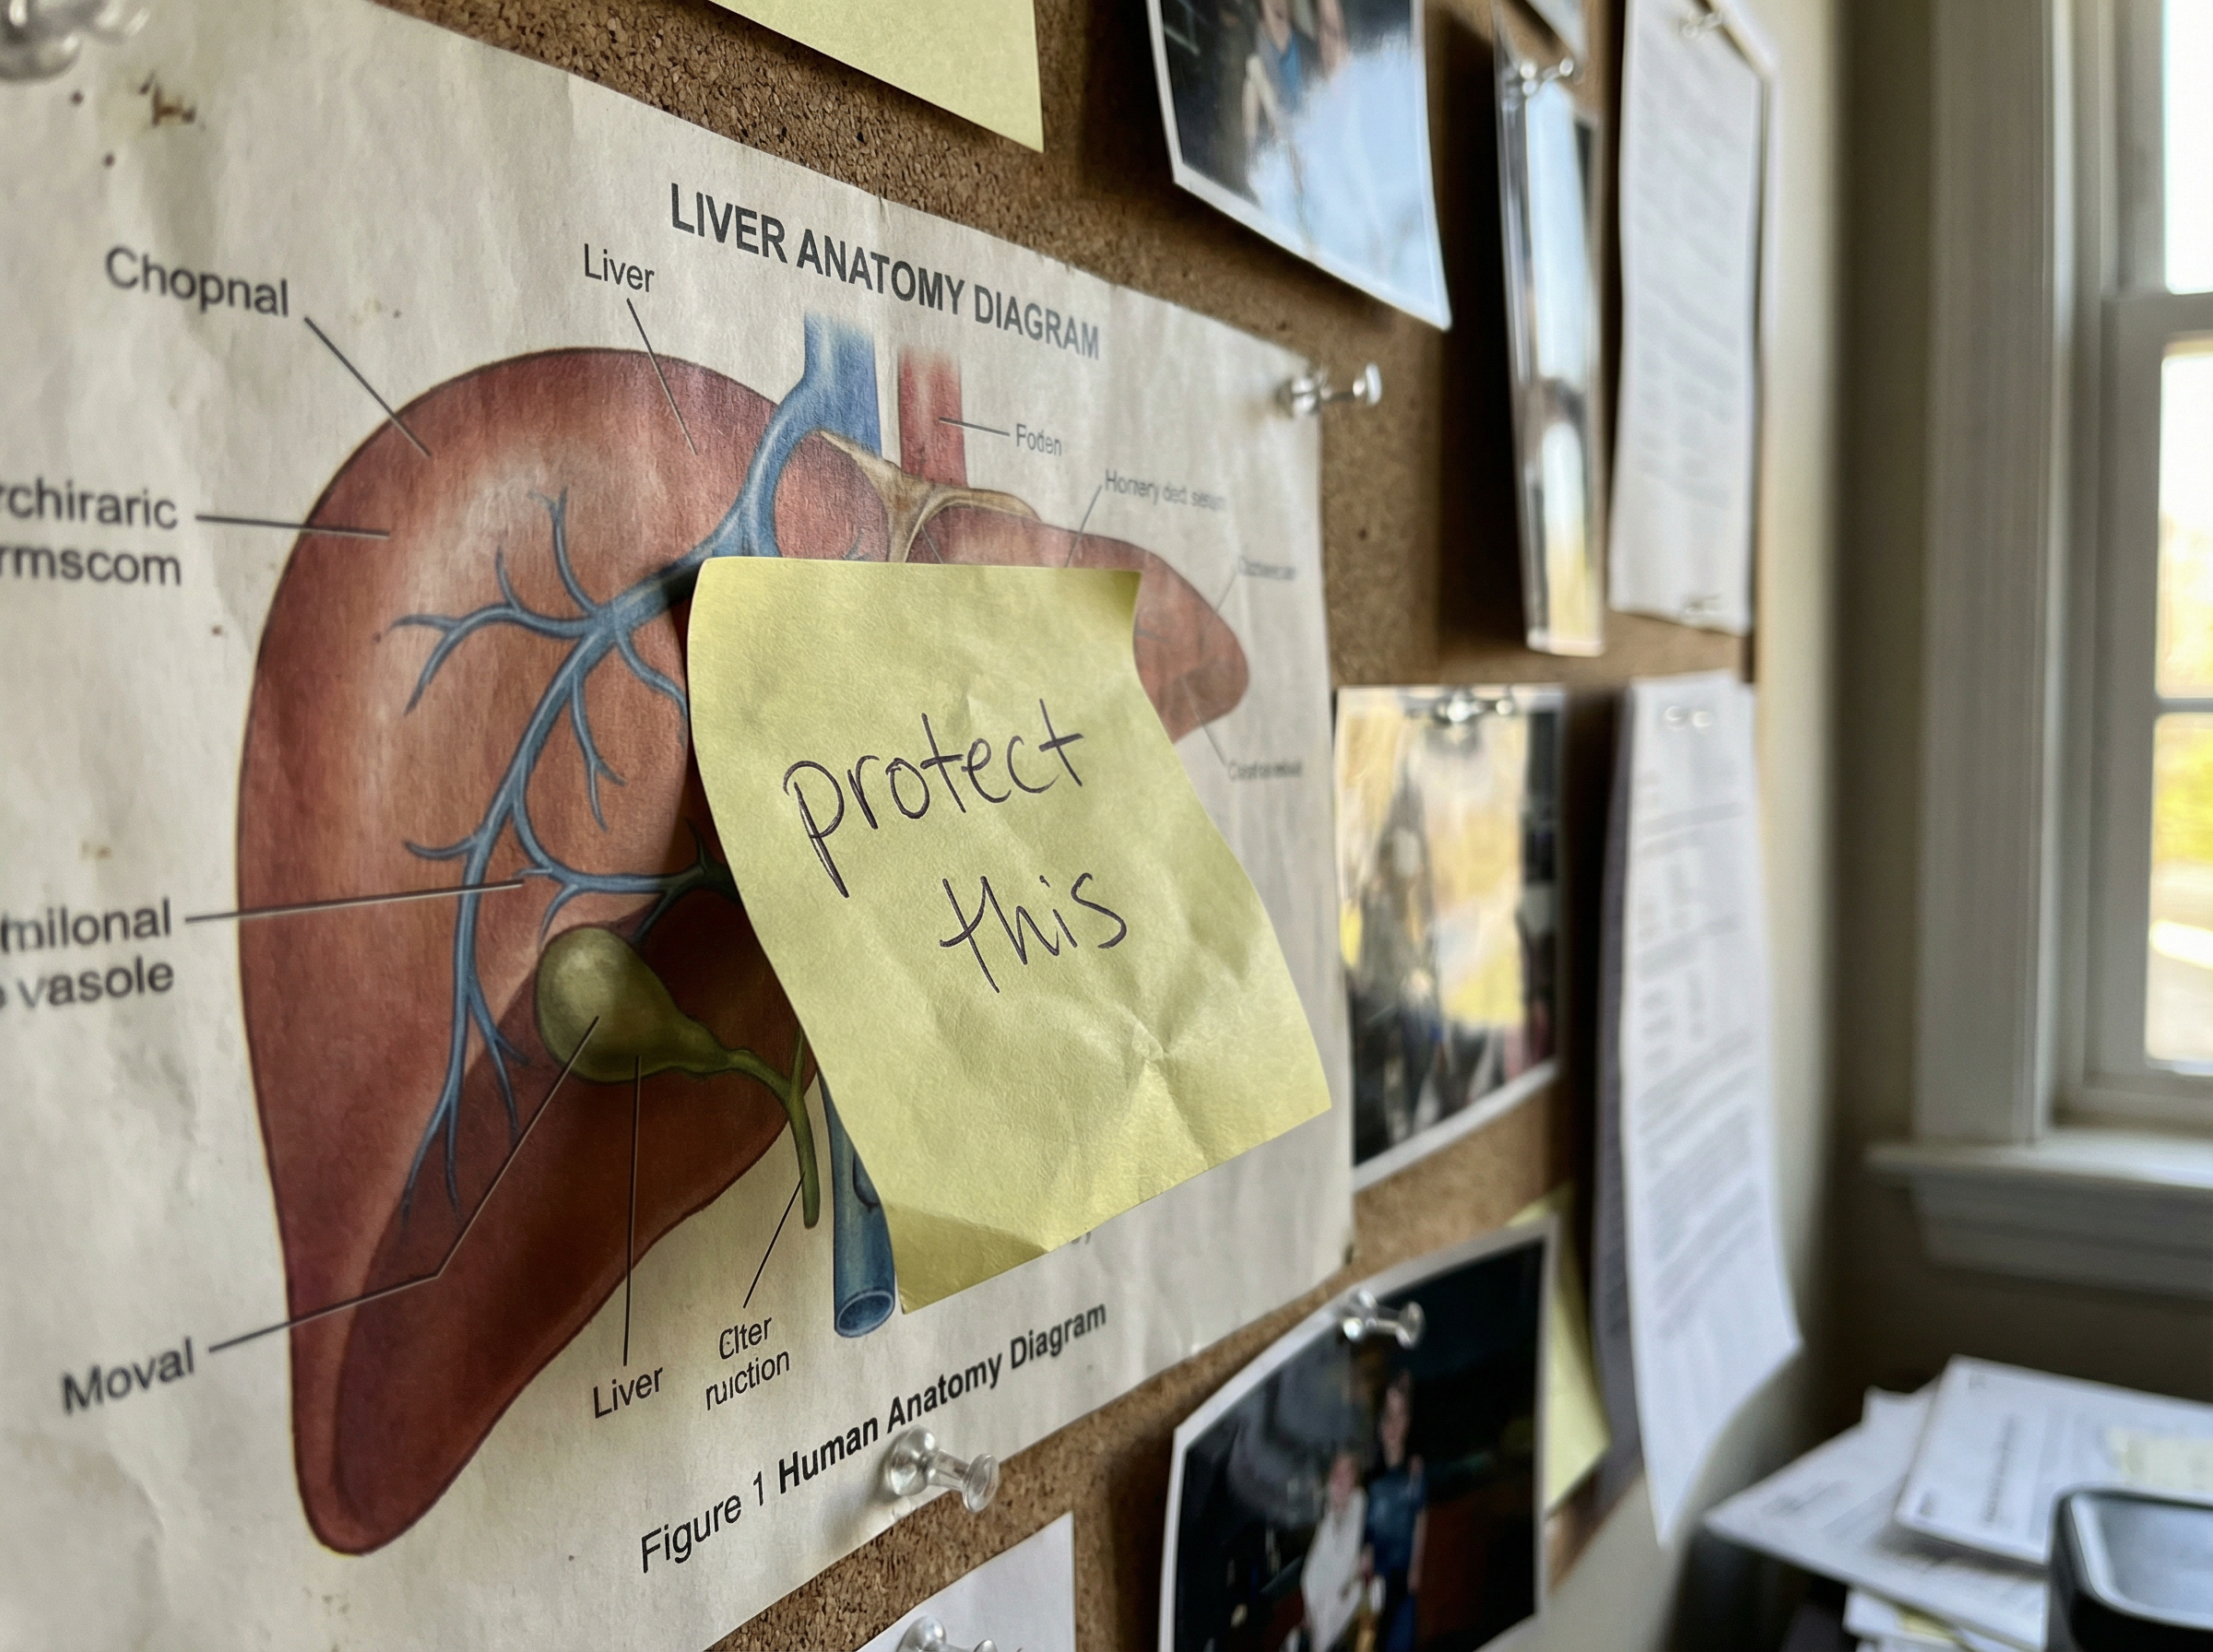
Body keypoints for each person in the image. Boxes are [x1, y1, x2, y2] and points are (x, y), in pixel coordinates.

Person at [1362, 1375, 1426, 1652]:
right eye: (1388, 1415)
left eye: (1400, 1416)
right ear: (1378, 1422)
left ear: (1409, 1422)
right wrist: (1363, 1552)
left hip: (1402, 1576)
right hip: (1373, 1576)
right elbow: (1361, 1523)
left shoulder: (1415, 1471)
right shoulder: (1368, 1473)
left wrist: (1416, 1567)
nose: (1393, 1425)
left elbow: (1421, 1518)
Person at [1299, 1448, 1367, 1652]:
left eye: (1347, 1471)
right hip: (1310, 1606)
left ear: (1355, 1476)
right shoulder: (1320, 1505)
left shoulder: (1360, 1504)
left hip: (1343, 1605)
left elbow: (1348, 1562)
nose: (1340, 1478)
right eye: (1335, 1471)